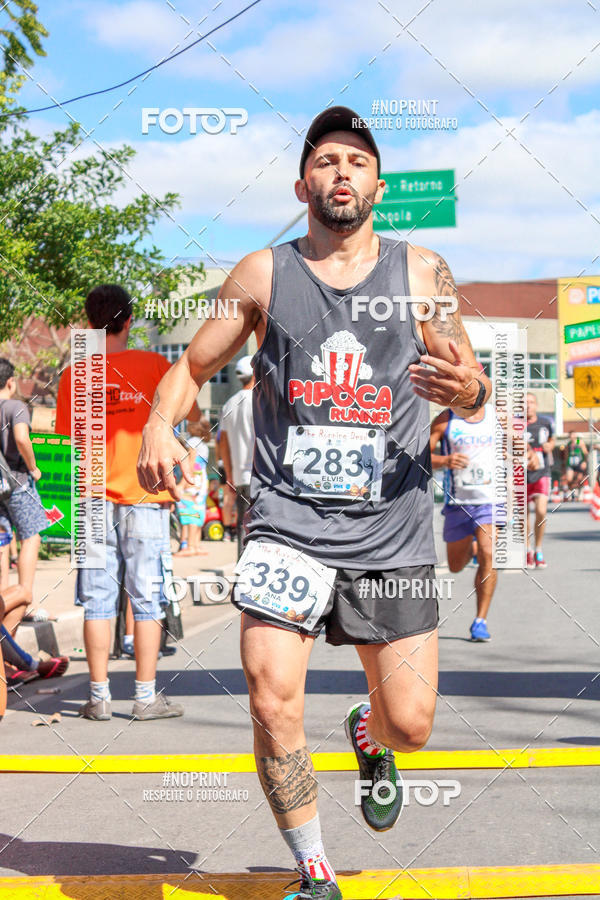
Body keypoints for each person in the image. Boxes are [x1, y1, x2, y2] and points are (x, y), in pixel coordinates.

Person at [137, 106, 491, 900]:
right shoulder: (263, 274)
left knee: (412, 725)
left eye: (357, 162)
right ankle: (314, 870)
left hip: (392, 528)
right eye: (326, 161)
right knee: (271, 697)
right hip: (287, 524)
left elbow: (474, 385)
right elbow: (191, 366)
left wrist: (468, 393)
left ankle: (370, 734)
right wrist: (159, 423)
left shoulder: (421, 273)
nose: (341, 173)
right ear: (303, 185)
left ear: (379, 186)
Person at [55, 284, 199, 722]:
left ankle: (98, 698)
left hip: (90, 500)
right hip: (146, 495)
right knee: (148, 598)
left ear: (88, 323)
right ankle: (144, 697)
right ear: (129, 320)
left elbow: (66, 445)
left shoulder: (73, 376)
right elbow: (190, 414)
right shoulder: (155, 365)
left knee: (96, 602)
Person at [430, 405, 505, 642]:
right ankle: (473, 547)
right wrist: (445, 460)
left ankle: (480, 620)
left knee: (488, 553)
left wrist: (528, 455)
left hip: (491, 501)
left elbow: (517, 447)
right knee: (455, 566)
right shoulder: (445, 419)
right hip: (458, 503)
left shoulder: (498, 416)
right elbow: (421, 456)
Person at [0, 358, 49, 628]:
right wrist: (33, 467)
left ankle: (3, 599)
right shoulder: (15, 406)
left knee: (2, 541)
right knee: (30, 537)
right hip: (17, 483)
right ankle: (24, 597)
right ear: (10, 382)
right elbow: (21, 438)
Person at [218, 356, 256, 559]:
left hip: (240, 477)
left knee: (243, 524)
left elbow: (222, 443)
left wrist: (230, 476)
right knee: (261, 528)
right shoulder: (259, 401)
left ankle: (241, 568)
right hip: (259, 476)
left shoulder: (229, 404)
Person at [525, 393, 554, 568]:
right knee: (524, 515)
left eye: (531, 402)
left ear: (536, 405)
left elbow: (552, 439)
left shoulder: (545, 422)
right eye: (525, 403)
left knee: (541, 511)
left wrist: (550, 445)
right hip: (521, 474)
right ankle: (528, 550)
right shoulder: (515, 425)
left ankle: (538, 549)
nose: (528, 405)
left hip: (542, 472)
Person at [175, 417, 211, 555]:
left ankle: (189, 546)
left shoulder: (193, 442)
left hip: (191, 482)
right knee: (198, 512)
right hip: (201, 482)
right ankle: (196, 545)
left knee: (188, 513)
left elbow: (190, 463)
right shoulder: (204, 444)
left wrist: (181, 484)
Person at [563, 435, 588, 499]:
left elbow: (585, 452)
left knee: (579, 478)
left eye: (573, 436)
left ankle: (579, 491)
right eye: (570, 436)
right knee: (569, 479)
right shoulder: (569, 443)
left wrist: (584, 461)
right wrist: (566, 464)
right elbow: (566, 454)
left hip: (579, 463)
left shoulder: (578, 441)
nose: (572, 437)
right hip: (571, 464)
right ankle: (571, 492)